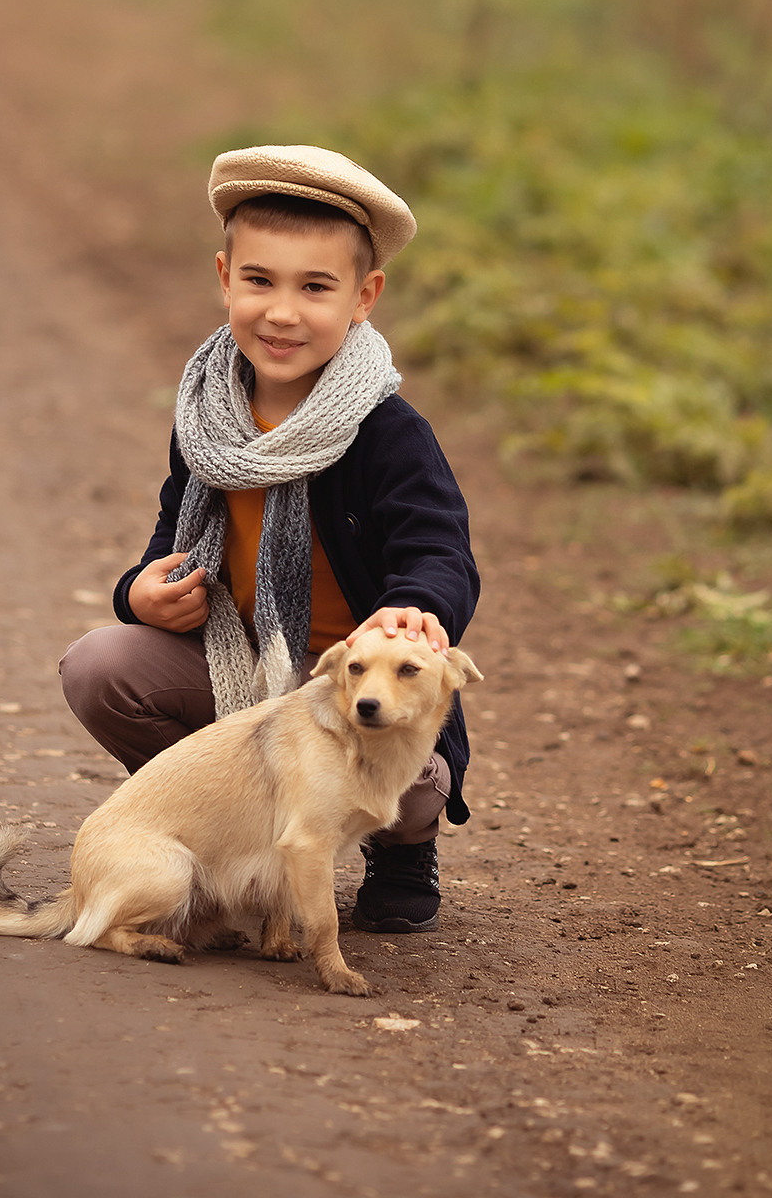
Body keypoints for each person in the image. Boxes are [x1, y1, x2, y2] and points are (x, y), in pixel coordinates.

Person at [60, 144, 479, 933]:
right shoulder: (209, 417)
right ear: (225, 279)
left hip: (349, 684)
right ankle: (221, 830)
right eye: (259, 281)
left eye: (315, 287)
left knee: (412, 773)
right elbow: (168, 541)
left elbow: (440, 551)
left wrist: (415, 608)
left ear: (364, 297)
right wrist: (142, 592)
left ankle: (401, 847)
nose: (282, 312)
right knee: (101, 665)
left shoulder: (388, 434)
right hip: (240, 670)